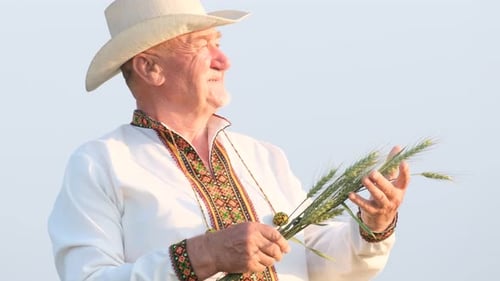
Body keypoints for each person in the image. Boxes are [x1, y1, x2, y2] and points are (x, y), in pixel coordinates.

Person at [48, 0, 410, 280]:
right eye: (201, 45)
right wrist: (204, 254)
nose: (223, 60)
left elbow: (319, 263)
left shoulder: (263, 157)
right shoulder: (101, 163)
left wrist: (372, 227)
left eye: (217, 43)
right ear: (149, 68)